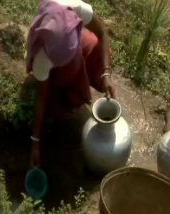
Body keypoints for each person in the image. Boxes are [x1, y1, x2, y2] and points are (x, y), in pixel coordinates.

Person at [26, 0, 116, 167]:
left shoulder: (74, 7)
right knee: (56, 107)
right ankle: (69, 90)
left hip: (70, 37)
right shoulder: (43, 56)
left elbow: (102, 33)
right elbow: (41, 98)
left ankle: (81, 69)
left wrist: (106, 73)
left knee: (96, 48)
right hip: (56, 66)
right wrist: (35, 143)